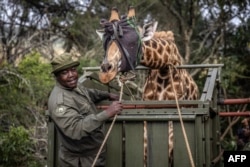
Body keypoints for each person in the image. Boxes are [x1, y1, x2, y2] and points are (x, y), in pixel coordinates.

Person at [48, 53, 123, 167]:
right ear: (57, 77)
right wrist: (107, 113)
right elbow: (76, 129)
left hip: (93, 153)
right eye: (64, 73)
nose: (71, 75)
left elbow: (87, 93)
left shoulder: (74, 86)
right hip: (80, 160)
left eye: (73, 70)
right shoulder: (60, 102)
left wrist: (107, 95)